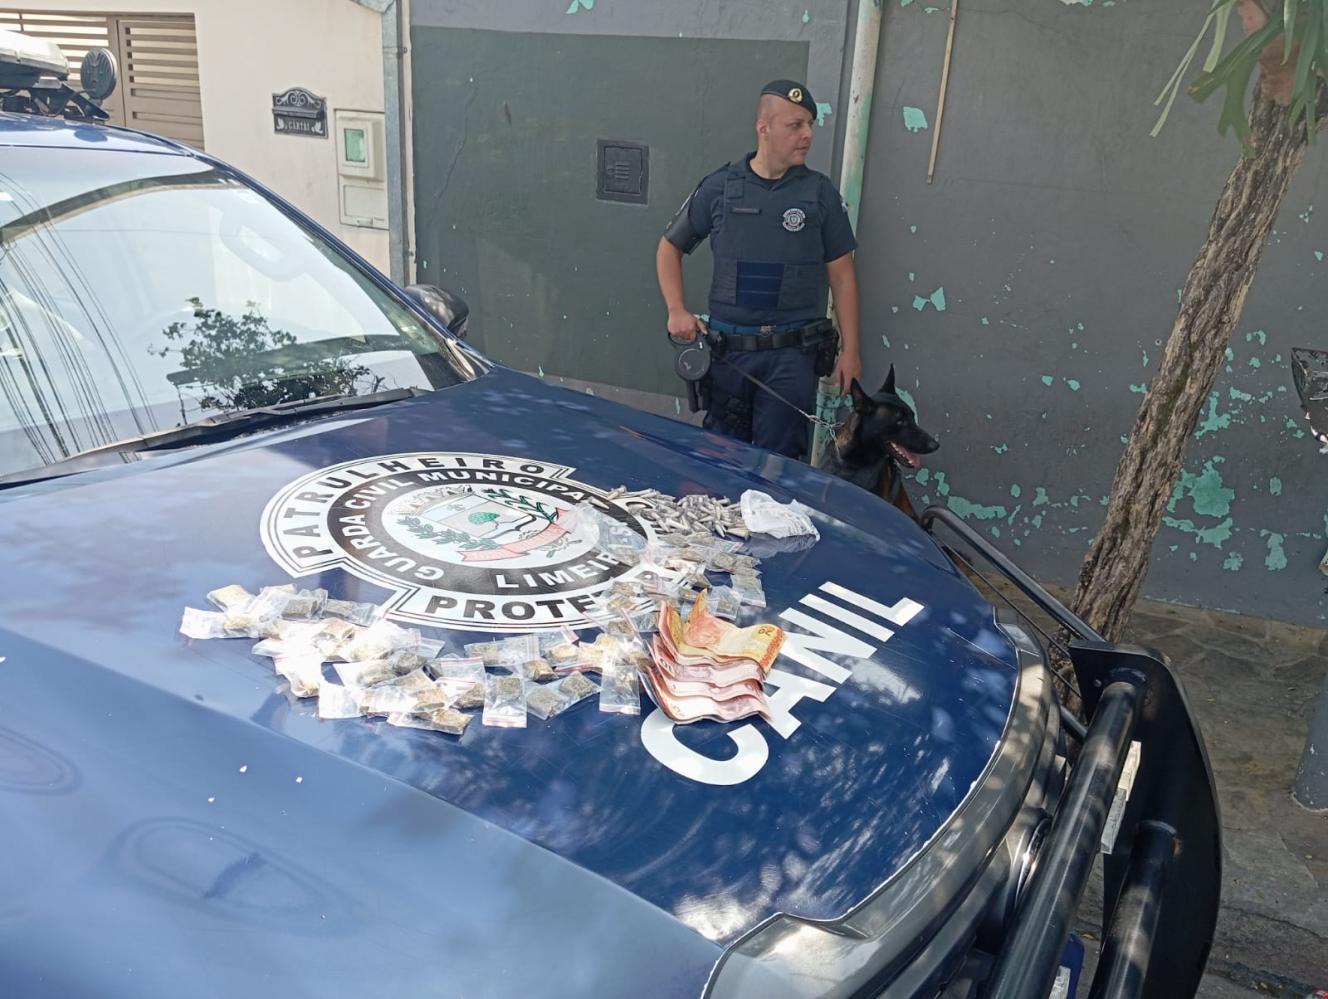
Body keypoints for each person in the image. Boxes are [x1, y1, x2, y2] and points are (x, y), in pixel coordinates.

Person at [655, 78, 862, 460]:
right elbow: (670, 247)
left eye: (810, 125)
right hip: (730, 358)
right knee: (722, 463)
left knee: (781, 473)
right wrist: (676, 310)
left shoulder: (819, 195)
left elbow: (843, 275)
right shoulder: (720, 188)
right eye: (795, 125)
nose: (807, 135)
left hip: (791, 360)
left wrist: (851, 351)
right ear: (763, 127)